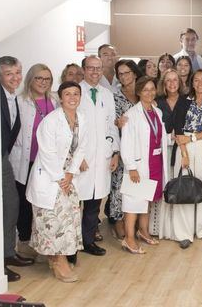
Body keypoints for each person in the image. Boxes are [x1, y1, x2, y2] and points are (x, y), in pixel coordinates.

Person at [26, 81, 88, 283]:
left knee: (67, 220)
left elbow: (81, 149)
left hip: (68, 177)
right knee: (53, 222)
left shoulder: (82, 119)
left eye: (76, 94)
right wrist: (61, 177)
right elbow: (47, 153)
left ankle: (56, 258)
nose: (72, 97)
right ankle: (59, 262)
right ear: (60, 98)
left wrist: (70, 173)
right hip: (51, 177)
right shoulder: (51, 121)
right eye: (68, 94)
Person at [164, 69, 202, 249]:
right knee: (185, 188)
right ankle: (183, 233)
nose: (199, 83)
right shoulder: (183, 101)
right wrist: (184, 153)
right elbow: (177, 129)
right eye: (196, 80)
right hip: (184, 148)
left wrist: (192, 138)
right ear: (191, 83)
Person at [10, 64, 58, 258]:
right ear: (30, 79)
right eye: (39, 78)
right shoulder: (20, 101)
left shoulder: (54, 100)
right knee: (25, 202)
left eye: (47, 79)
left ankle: (44, 241)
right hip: (26, 161)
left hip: (48, 163)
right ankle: (24, 241)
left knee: (45, 203)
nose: (43, 82)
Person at [120, 76, 169, 254]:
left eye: (152, 89)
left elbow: (158, 136)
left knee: (147, 200)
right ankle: (129, 239)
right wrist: (131, 167)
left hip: (154, 162)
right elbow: (126, 143)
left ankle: (144, 232)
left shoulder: (157, 111)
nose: (149, 93)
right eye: (145, 90)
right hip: (139, 165)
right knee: (133, 204)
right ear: (139, 92)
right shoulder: (131, 115)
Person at [77, 55, 120, 257]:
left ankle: (88, 241)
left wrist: (114, 153)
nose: (95, 72)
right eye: (91, 68)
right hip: (82, 157)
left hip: (102, 155)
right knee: (76, 202)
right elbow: (72, 128)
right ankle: (71, 244)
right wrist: (77, 157)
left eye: (98, 68)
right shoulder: (76, 92)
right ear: (83, 70)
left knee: (94, 203)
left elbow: (112, 125)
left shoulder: (106, 94)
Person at [0, 56, 33, 282]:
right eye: (9, 73)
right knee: (4, 208)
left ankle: (8, 253)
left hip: (3, 157)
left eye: (18, 72)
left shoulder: (14, 98)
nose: (15, 77)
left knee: (11, 206)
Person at [109, 60, 141, 240]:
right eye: (120, 74)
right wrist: (116, 123)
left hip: (142, 147)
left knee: (137, 184)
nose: (123, 77)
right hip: (122, 147)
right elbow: (110, 121)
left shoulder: (144, 92)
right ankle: (118, 220)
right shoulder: (114, 97)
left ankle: (135, 219)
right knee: (119, 184)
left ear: (135, 73)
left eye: (127, 72)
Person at [153, 68, 183, 236]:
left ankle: (178, 228)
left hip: (181, 149)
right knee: (165, 185)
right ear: (164, 84)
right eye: (168, 80)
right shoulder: (157, 102)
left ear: (180, 83)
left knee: (178, 186)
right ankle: (162, 228)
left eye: (175, 80)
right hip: (162, 150)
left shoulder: (186, 100)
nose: (172, 84)